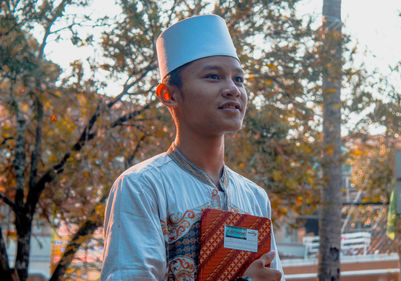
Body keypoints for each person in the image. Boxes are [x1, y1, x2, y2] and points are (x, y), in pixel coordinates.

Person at [101, 14, 284, 281]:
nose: (232, 89)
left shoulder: (255, 198)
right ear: (169, 94)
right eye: (213, 76)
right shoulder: (142, 187)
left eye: (239, 79)